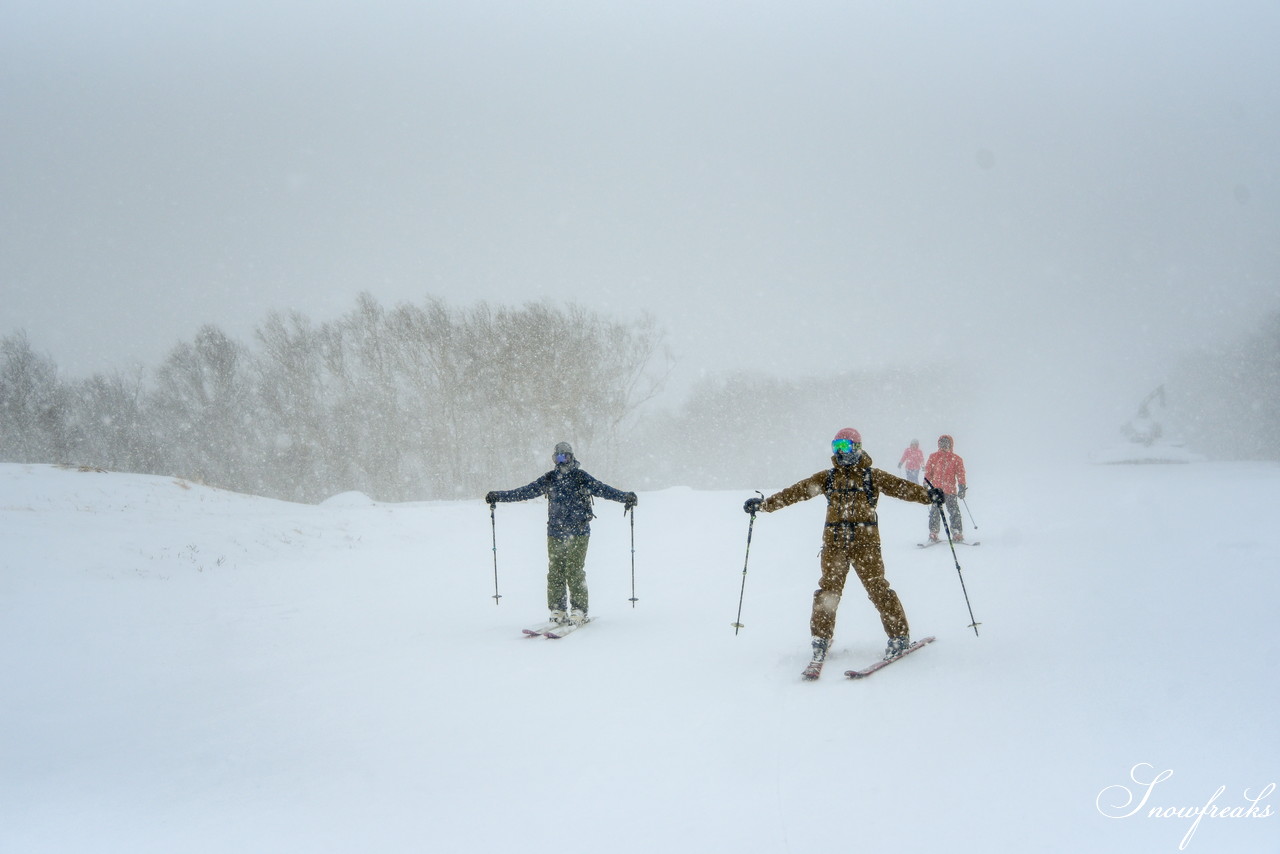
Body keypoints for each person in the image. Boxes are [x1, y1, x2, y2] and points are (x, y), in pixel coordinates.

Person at [742, 428, 944, 679]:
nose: (840, 452)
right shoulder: (828, 478)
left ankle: (899, 637)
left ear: (857, 448)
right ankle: (820, 640)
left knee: (878, 589)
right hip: (834, 546)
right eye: (836, 447)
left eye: (845, 447)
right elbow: (796, 491)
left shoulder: (871, 476)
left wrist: (929, 496)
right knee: (828, 592)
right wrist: (764, 505)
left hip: (866, 545)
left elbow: (901, 488)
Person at [486, 442, 637, 627]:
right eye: (557, 457)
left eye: (564, 456)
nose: (561, 461)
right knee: (555, 571)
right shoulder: (550, 479)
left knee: (574, 569)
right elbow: (525, 492)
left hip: (579, 531)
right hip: (555, 532)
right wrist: (499, 496)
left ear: (571, 457)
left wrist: (625, 497)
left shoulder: (581, 477)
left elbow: (602, 489)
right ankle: (557, 609)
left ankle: (579, 609)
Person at [923, 434, 967, 543]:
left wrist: (962, 487)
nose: (944, 446)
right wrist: (925, 483)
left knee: (954, 511)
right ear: (939, 444)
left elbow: (960, 474)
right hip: (936, 490)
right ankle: (933, 532)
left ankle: (956, 532)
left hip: (950, 490)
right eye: (942, 443)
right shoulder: (933, 457)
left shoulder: (956, 459)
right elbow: (929, 471)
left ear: (950, 445)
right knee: (934, 512)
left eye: (946, 444)